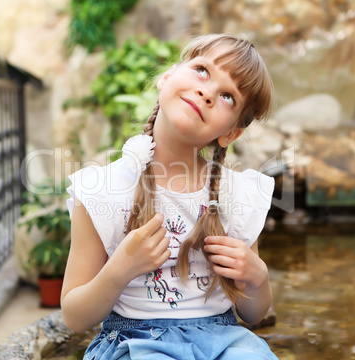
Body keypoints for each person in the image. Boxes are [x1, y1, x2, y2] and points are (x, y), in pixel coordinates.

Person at [62, 33, 279, 360]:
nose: (207, 92)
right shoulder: (102, 190)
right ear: (166, 78)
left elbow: (253, 315)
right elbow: (75, 316)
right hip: (137, 343)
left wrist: (258, 278)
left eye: (227, 97)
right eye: (202, 70)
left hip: (222, 341)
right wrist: (118, 270)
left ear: (230, 133)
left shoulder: (235, 195)